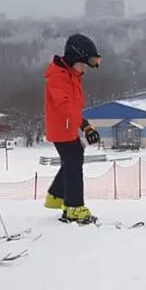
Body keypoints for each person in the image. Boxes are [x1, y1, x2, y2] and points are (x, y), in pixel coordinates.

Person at [44, 33, 102, 224]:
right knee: (74, 164)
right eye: (82, 64)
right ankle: (74, 207)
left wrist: (82, 124)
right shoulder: (58, 78)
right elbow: (66, 107)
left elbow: (73, 107)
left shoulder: (71, 75)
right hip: (61, 128)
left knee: (73, 159)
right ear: (73, 58)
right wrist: (85, 126)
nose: (84, 68)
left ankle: (56, 196)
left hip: (67, 127)